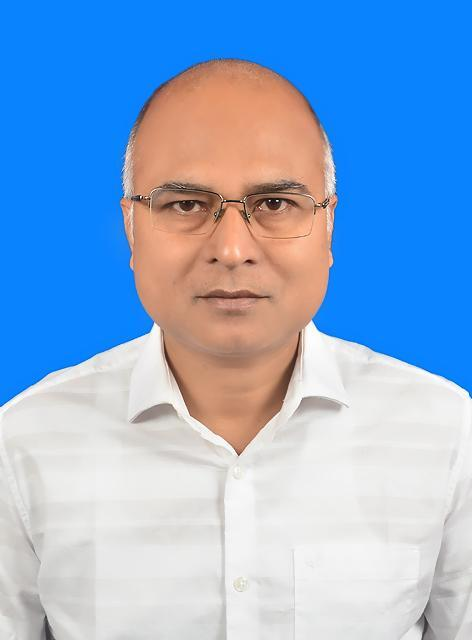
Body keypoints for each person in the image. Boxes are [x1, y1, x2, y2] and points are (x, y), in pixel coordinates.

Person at [0, 57, 470, 640]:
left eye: (274, 204)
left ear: (328, 225)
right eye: (186, 205)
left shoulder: (447, 434)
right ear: (130, 227)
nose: (231, 249)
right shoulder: (24, 445)